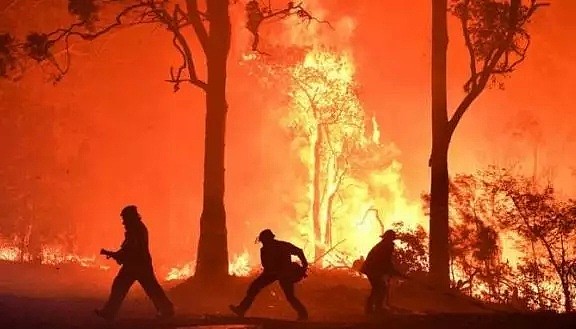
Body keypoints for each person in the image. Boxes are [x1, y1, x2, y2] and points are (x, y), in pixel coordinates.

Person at [95, 205, 174, 321]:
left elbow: (131, 248)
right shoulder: (137, 228)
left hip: (137, 265)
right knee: (148, 287)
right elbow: (128, 248)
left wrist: (115, 255)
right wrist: (116, 254)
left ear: (130, 217)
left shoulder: (136, 230)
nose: (123, 222)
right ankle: (167, 310)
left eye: (124, 219)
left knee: (125, 286)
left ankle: (109, 312)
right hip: (137, 264)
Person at [229, 229, 309, 320]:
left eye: (263, 241)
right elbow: (267, 266)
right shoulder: (272, 248)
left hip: (283, 274)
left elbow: (299, 251)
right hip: (273, 273)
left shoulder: (280, 246)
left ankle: (303, 314)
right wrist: (304, 265)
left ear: (268, 239)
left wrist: (305, 265)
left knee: (289, 296)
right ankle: (241, 309)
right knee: (254, 287)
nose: (263, 243)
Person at [360, 229, 403, 315]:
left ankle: (374, 308)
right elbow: (384, 261)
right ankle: (375, 309)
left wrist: (390, 270)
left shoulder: (383, 245)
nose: (392, 241)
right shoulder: (385, 246)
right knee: (380, 288)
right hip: (372, 269)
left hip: (372, 269)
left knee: (379, 288)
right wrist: (391, 270)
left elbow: (386, 261)